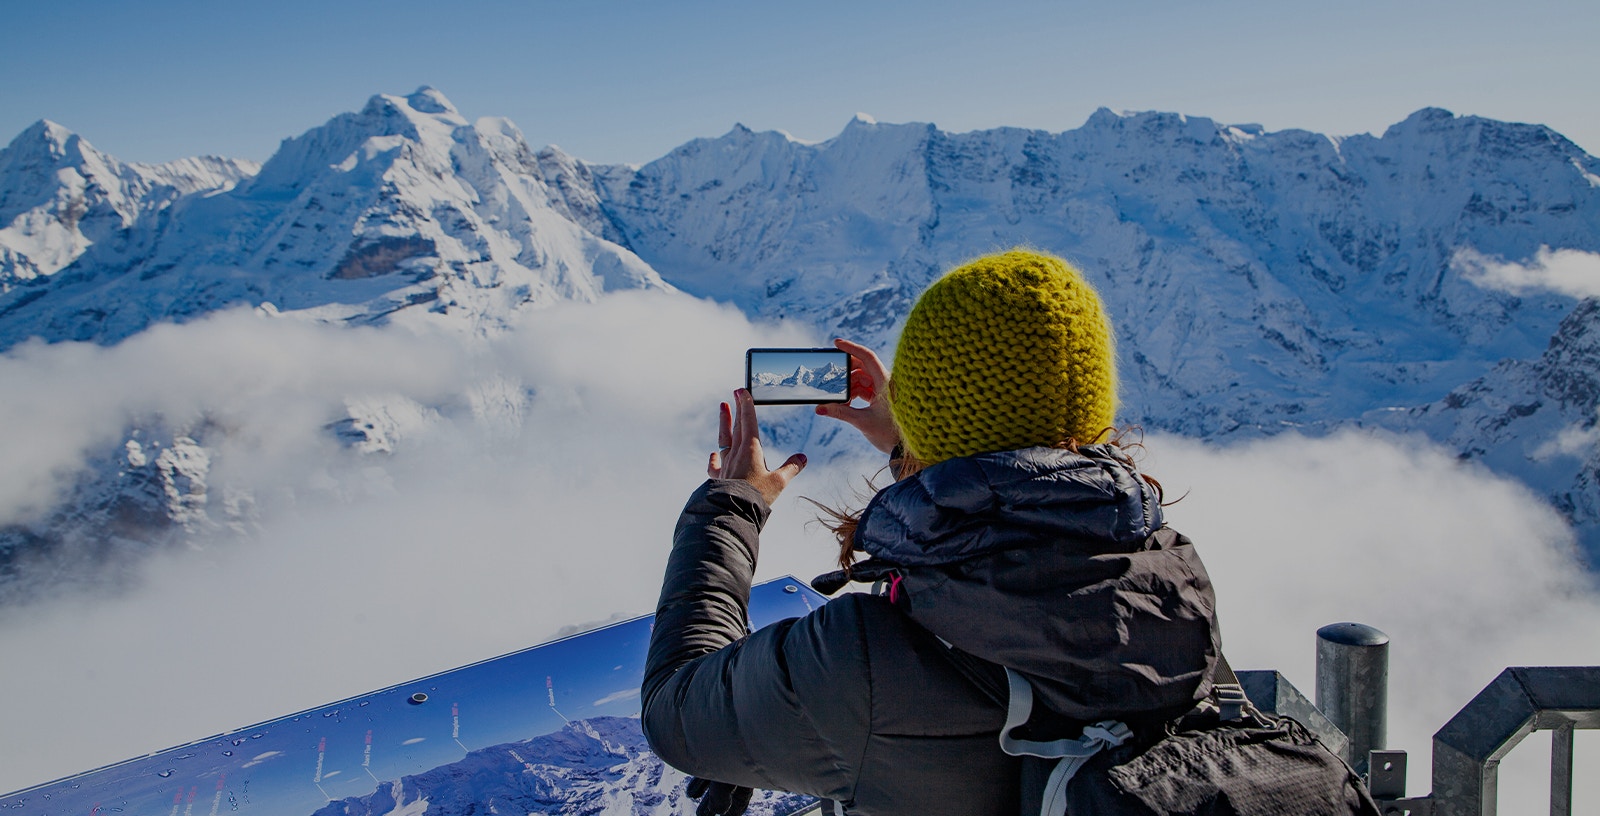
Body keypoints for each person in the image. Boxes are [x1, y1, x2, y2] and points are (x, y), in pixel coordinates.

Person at [641, 250, 1221, 816]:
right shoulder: (1170, 585)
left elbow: (675, 710)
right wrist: (914, 448)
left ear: (927, 416)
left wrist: (730, 509)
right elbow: (1021, 512)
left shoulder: (860, 661)